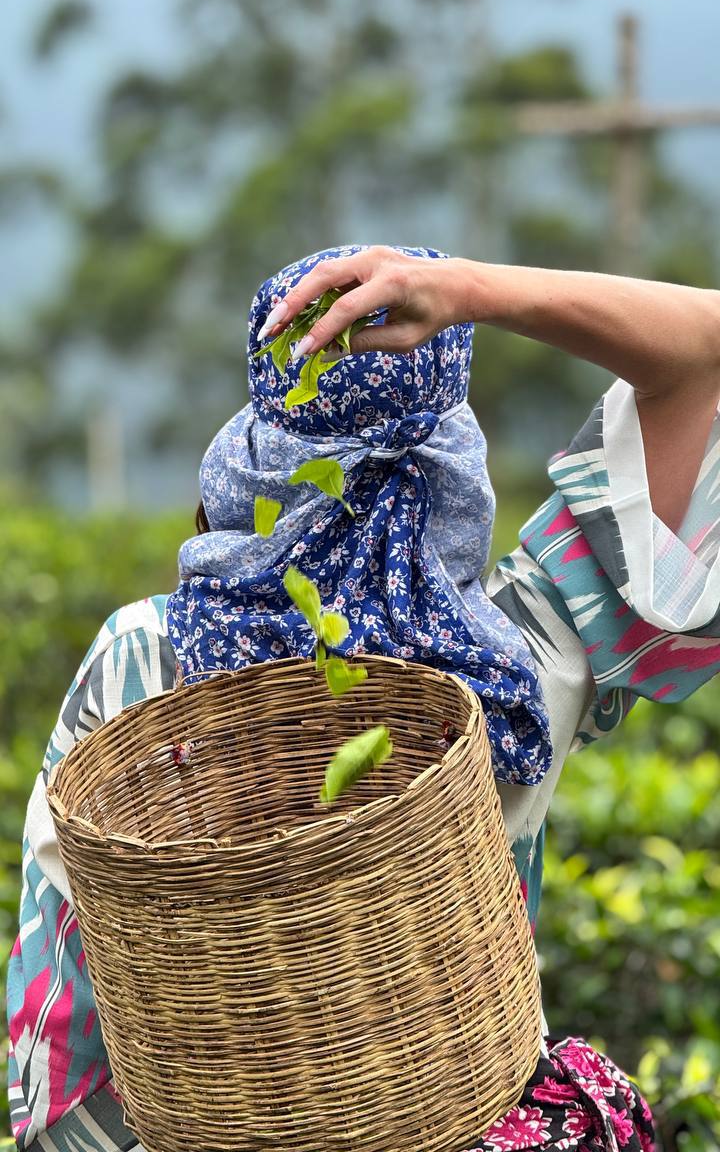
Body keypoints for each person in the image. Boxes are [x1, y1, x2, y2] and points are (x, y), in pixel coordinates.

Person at [7, 242, 720, 1152]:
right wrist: (472, 291)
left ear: (258, 449)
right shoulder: (512, 667)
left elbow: (59, 1025)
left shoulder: (141, 662)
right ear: (453, 463)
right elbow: (704, 352)